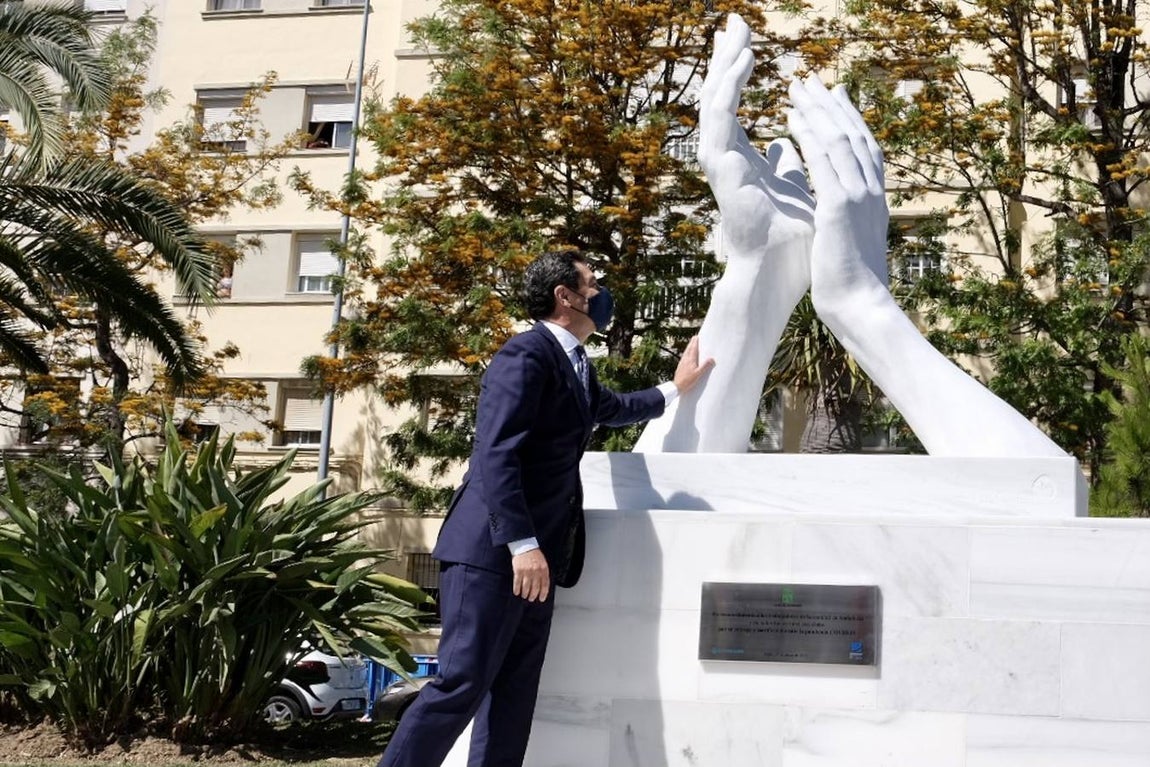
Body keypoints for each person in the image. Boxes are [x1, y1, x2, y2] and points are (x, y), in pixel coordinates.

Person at [377, 250, 714, 767]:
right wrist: (522, 544)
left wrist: (676, 387)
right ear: (566, 296)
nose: (601, 294)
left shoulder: (574, 364)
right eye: (593, 284)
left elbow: (613, 409)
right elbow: (496, 454)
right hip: (493, 555)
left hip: (538, 561)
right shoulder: (525, 355)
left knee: (514, 695)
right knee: (459, 684)